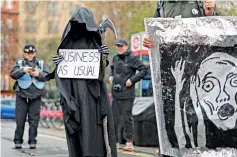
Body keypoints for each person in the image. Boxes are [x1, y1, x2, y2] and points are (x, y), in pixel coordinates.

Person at [48, 7, 117, 157]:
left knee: (93, 129)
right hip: (74, 94)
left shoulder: (94, 41)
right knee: (80, 129)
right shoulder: (68, 43)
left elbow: (100, 71)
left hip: (92, 96)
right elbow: (62, 72)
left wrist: (103, 57)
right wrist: (58, 63)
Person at [109, 39, 148, 151]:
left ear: (126, 46)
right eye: (118, 46)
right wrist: (111, 75)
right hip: (116, 94)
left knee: (127, 118)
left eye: (121, 46)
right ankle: (114, 142)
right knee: (114, 119)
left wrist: (132, 80)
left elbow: (143, 70)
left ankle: (129, 142)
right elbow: (111, 68)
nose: (119, 48)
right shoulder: (115, 58)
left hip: (127, 94)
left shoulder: (133, 58)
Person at [10, 44, 50, 149]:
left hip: (36, 94)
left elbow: (47, 76)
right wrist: (23, 70)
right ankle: (18, 141)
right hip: (21, 94)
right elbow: (13, 74)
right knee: (20, 119)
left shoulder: (41, 63)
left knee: (34, 120)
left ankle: (33, 141)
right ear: (24, 53)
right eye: (28, 53)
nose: (30, 55)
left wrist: (38, 74)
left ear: (35, 53)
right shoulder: (19, 62)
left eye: (32, 53)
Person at [143, 0, 218, 48]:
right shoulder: (162, 3)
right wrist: (149, 41)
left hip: (197, 55)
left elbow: (218, 29)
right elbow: (154, 31)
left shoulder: (202, 1)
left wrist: (210, 13)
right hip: (171, 58)